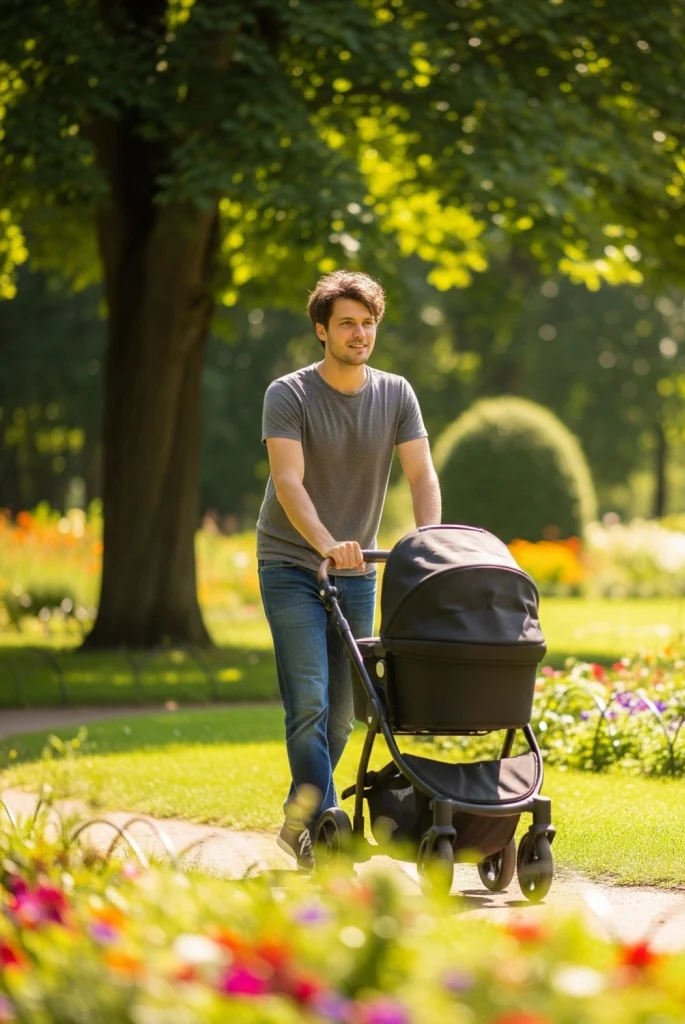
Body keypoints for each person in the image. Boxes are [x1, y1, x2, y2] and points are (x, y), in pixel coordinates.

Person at [256, 270, 442, 869]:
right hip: (291, 564)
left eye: (367, 323)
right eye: (346, 324)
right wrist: (327, 544)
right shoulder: (289, 394)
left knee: (342, 715)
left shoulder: (396, 394)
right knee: (309, 702)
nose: (359, 334)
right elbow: (288, 482)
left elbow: (421, 475)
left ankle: (298, 819)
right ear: (322, 330)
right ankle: (324, 826)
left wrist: (430, 543)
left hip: (356, 571)